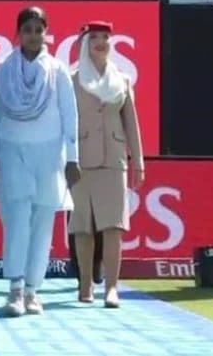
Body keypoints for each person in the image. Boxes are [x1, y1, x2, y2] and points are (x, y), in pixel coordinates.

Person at [0, 6, 80, 316]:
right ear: (18, 33)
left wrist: (73, 159)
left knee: (42, 222)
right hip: (12, 152)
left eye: (39, 30)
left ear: (46, 33)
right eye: (28, 29)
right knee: (17, 220)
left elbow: (69, 115)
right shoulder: (3, 71)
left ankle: (33, 291)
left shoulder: (58, 70)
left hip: (50, 155)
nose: (34, 36)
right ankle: (14, 289)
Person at [68, 20, 144, 309]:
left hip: (113, 159)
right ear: (85, 43)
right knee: (83, 226)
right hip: (80, 159)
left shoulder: (122, 80)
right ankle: (85, 284)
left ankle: (112, 288)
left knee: (114, 226)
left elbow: (131, 124)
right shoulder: (72, 78)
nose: (100, 42)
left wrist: (137, 159)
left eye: (105, 37)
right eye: (94, 37)